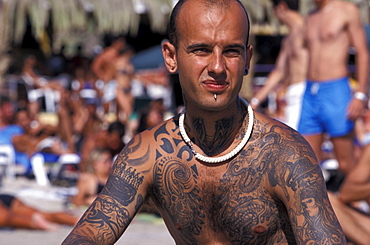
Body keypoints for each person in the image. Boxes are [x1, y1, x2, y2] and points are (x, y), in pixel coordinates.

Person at [63, 0, 346, 244]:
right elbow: (88, 234)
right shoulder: (149, 154)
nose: (218, 67)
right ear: (171, 57)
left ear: (247, 59)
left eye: (231, 51)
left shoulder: (284, 154)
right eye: (201, 50)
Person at [299, 0, 369, 175]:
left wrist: (360, 94)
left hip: (335, 89)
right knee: (308, 163)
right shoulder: (310, 17)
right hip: (310, 92)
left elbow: (362, 52)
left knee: (346, 163)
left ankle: (361, 201)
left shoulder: (347, 10)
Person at [250, 0, 308, 130]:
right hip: (292, 97)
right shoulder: (289, 38)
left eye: (274, 9)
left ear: (281, 7)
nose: (274, 14)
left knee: (302, 145)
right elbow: (279, 71)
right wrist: (255, 102)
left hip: (307, 95)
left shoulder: (308, 29)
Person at [0, 193, 78, 230]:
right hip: (6, 198)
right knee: (43, 215)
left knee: (8, 218)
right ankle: (75, 220)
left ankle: (33, 223)